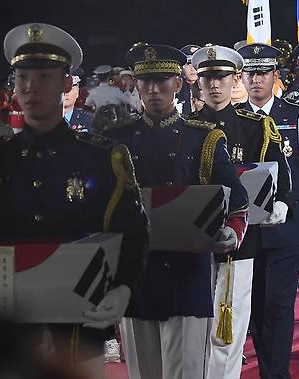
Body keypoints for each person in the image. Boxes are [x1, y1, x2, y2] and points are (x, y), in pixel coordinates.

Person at [0, 23, 149, 376]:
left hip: (80, 328)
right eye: (23, 77)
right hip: (3, 329)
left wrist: (124, 287)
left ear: (66, 84)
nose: (31, 88)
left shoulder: (103, 157)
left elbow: (133, 232)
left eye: (44, 77)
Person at [105, 43, 248, 379]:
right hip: (136, 273)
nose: (154, 90)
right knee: (143, 371)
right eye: (146, 82)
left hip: (187, 272)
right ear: (135, 85)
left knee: (185, 371)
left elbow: (237, 197)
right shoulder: (114, 141)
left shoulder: (204, 138)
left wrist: (233, 229)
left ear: (179, 84)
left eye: (163, 81)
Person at [190, 45, 290, 379]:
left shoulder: (255, 126)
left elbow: (280, 175)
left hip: (241, 242)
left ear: (235, 79)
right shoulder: (185, 129)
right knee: (195, 323)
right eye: (207, 78)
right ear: (198, 83)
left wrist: (280, 203)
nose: (214, 85)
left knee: (229, 322)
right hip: (193, 241)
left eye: (220, 77)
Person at [236, 42, 299, 379]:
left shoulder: (296, 116)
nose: (256, 79)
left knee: (279, 307)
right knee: (253, 310)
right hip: (246, 232)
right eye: (250, 73)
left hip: (286, 228)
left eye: (263, 72)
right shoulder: (234, 120)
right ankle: (268, 367)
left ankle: (276, 373)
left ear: (275, 76)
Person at [177, 44, 201, 115]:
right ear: (182, 67)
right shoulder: (176, 89)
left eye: (196, 64)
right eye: (189, 63)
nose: (193, 68)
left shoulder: (209, 88)